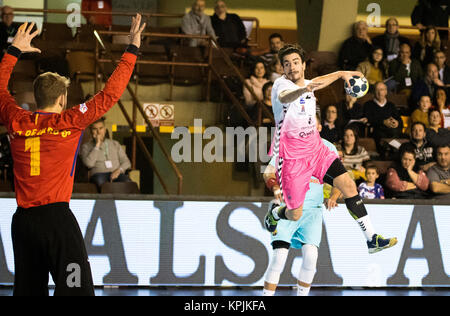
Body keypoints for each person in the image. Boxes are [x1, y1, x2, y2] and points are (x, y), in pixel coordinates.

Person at [0, 15, 145, 296]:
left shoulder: (15, 119)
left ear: (37, 97)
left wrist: (13, 50)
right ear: (62, 99)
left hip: (23, 222)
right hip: (56, 220)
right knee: (76, 290)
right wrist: (132, 49)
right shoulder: (69, 121)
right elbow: (110, 94)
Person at [265, 43, 397, 254]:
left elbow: (318, 82)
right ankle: (275, 214)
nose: (292, 67)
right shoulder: (281, 85)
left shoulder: (308, 83)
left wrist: (342, 73)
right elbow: (285, 98)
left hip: (316, 149)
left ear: (303, 65)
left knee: (349, 186)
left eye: (296, 63)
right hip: (293, 158)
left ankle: (372, 238)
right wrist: (303, 89)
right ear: (282, 68)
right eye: (287, 64)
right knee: (294, 214)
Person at [262, 116, 341, 297]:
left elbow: (341, 179)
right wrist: (275, 188)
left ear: (319, 127)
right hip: (288, 207)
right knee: (279, 257)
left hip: (312, 211)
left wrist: (334, 196)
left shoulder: (329, 148)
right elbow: (268, 172)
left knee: (311, 257)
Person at [80, 117, 132, 191]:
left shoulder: (114, 144)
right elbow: (89, 164)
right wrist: (97, 145)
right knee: (103, 184)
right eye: (95, 129)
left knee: (128, 183)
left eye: (101, 128)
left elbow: (127, 162)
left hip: (117, 173)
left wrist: (119, 170)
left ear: (104, 130)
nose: (98, 132)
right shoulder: (86, 146)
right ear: (91, 131)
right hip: (99, 174)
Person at [364, 82, 403, 152]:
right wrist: (383, 122)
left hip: (391, 131)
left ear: (386, 92)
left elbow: (399, 120)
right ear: (374, 92)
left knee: (396, 132)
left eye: (382, 90)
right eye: (377, 90)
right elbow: (368, 120)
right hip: (377, 131)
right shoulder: (368, 105)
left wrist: (396, 122)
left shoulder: (391, 105)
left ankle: (392, 150)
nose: (379, 92)